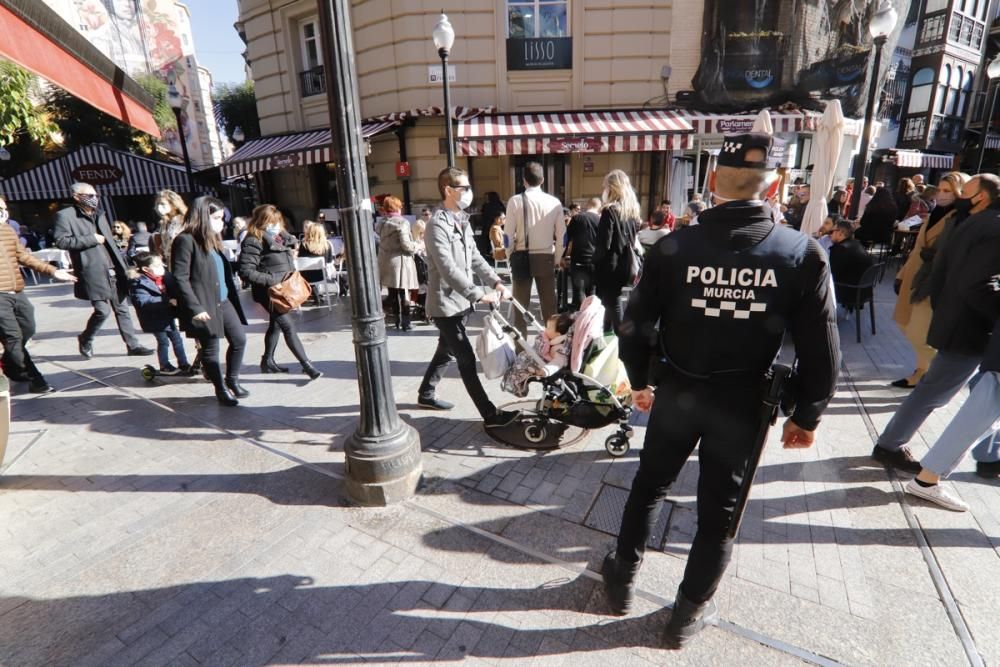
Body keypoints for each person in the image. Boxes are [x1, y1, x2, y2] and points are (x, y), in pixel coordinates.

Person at [603, 133, 840, 648]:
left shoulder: (673, 246)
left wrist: (641, 380)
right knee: (719, 512)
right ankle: (685, 617)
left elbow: (635, 323)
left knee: (650, 486)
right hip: (744, 404)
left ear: (712, 182)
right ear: (774, 184)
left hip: (678, 392)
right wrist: (807, 413)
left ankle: (621, 580)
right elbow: (821, 349)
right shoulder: (801, 253)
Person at [871, 175, 1000, 473]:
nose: (957, 197)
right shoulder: (987, 226)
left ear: (981, 197)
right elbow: (976, 284)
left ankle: (987, 457)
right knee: (934, 392)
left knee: (953, 391)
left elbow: (948, 273)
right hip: (970, 326)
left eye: (963, 192)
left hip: (959, 321)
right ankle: (890, 445)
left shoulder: (966, 223)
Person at [417, 167, 520, 429]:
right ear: (448, 190)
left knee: (445, 350)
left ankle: (425, 394)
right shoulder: (436, 225)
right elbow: (447, 268)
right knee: (465, 358)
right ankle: (490, 415)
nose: (469, 193)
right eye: (464, 188)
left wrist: (496, 281)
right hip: (444, 304)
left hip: (461, 302)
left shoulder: (460, 219)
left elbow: (475, 258)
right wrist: (479, 294)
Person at [53, 182, 154, 359]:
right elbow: (62, 241)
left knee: (122, 309)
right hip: (92, 270)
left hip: (113, 268)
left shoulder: (100, 214)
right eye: (89, 195)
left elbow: (110, 242)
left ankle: (133, 345)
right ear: (77, 197)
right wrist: (90, 239)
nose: (94, 198)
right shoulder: (65, 216)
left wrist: (125, 265)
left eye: (96, 195)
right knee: (102, 311)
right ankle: (86, 338)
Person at [891, 172, 968, 388]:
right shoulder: (936, 212)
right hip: (914, 275)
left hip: (932, 281)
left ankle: (939, 376)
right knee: (903, 322)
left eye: (948, 191)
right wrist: (902, 273)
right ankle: (922, 370)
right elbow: (917, 247)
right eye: (941, 190)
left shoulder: (960, 218)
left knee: (919, 332)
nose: (942, 195)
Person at [171, 196, 248, 406]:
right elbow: (180, 277)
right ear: (204, 217)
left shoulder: (213, 239)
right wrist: (195, 307)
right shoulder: (185, 240)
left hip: (223, 300)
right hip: (203, 303)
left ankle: (232, 380)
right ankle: (220, 388)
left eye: (222, 218)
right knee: (211, 348)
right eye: (216, 217)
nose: (221, 222)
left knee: (239, 340)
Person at [0, 195, 76, 393]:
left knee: (28, 328)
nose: (3, 212)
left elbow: (23, 256)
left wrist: (52, 270)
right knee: (13, 337)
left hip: (16, 290)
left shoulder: (7, 230)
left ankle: (10, 365)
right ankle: (35, 378)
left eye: (4, 208)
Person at [239, 204, 322, 380]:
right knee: (288, 326)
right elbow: (246, 271)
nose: (274, 226)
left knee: (275, 326)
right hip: (269, 292)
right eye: (270, 222)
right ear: (261, 222)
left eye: (277, 222)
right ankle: (307, 366)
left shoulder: (278, 237)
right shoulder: (253, 240)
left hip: (283, 289)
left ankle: (267, 361)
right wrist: (272, 280)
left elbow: (286, 247)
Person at [504, 162, 566, 336]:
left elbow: (507, 235)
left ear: (524, 180)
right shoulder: (554, 202)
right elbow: (562, 236)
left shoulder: (515, 201)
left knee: (520, 308)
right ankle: (552, 347)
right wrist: (556, 258)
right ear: (543, 180)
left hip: (522, 257)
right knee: (549, 308)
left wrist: (510, 255)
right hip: (546, 257)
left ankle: (521, 350)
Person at [593, 169, 640, 332]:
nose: (603, 190)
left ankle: (624, 345)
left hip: (610, 266)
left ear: (612, 188)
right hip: (626, 264)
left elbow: (603, 245)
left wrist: (594, 262)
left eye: (605, 186)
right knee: (609, 303)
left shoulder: (610, 211)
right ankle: (607, 334)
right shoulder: (632, 210)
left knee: (612, 304)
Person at [129, 251, 190, 375]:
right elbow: (142, 301)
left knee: (177, 339)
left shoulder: (164, 276)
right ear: (146, 269)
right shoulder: (138, 282)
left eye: (161, 264)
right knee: (163, 341)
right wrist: (167, 301)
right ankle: (164, 365)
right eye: (156, 265)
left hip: (168, 316)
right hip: (154, 318)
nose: (161, 267)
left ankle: (183, 363)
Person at [378, 196, 419, 331]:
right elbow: (406, 245)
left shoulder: (382, 223)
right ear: (397, 207)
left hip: (386, 261)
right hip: (400, 261)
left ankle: (397, 320)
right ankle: (406, 323)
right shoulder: (402, 223)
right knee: (404, 293)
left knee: (393, 292)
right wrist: (418, 246)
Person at [564, 197, 601, 309]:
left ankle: (581, 318)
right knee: (592, 292)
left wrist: (562, 256)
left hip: (578, 260)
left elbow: (567, 238)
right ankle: (591, 319)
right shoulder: (601, 220)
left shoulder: (577, 218)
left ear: (588, 205)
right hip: (595, 261)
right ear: (599, 207)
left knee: (579, 291)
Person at [828, 219, 875, 305]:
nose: (830, 234)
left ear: (840, 233)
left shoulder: (840, 249)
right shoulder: (857, 244)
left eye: (832, 231)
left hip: (850, 292)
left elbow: (831, 272)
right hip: (864, 292)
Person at [153, 189, 187, 266]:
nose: (159, 207)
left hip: (182, 261)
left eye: (162, 204)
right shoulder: (164, 223)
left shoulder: (183, 221)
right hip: (169, 262)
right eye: (157, 204)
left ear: (174, 205)